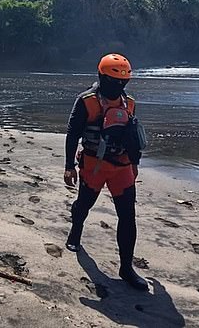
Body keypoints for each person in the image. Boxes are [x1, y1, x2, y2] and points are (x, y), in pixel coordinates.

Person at [64, 53, 148, 291]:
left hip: (122, 168)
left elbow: (133, 138)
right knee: (84, 205)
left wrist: (134, 163)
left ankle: (126, 268)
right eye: (113, 80)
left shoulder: (129, 103)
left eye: (123, 82)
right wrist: (69, 166)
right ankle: (76, 230)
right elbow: (72, 134)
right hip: (94, 165)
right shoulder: (86, 101)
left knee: (128, 216)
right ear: (101, 77)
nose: (118, 85)